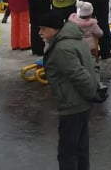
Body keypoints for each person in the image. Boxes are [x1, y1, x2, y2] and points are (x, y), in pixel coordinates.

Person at [39, 10, 103, 170]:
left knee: (67, 153)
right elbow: (93, 64)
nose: (40, 33)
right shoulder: (76, 38)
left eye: (43, 28)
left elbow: (79, 75)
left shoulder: (62, 48)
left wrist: (91, 92)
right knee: (81, 149)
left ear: (55, 29)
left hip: (72, 104)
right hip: (82, 104)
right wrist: (93, 89)